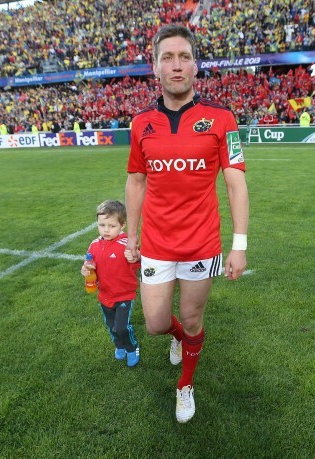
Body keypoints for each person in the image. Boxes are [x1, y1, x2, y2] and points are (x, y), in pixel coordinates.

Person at [124, 24, 249, 424]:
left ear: (195, 66)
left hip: (201, 245)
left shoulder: (222, 119)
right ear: (155, 67)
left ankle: (185, 384)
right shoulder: (140, 123)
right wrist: (131, 236)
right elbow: (136, 180)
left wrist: (239, 244)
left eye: (184, 57)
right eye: (167, 58)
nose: (176, 66)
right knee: (158, 323)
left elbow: (235, 182)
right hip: (157, 245)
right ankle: (178, 339)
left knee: (194, 319)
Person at [81, 200, 142, 367]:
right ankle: (119, 346)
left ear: (122, 225)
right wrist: (85, 269)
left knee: (121, 327)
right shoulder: (94, 244)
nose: (106, 230)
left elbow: (140, 262)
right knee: (111, 326)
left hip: (124, 295)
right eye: (102, 225)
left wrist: (136, 256)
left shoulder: (126, 245)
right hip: (105, 295)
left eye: (111, 226)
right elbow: (88, 263)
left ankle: (132, 347)